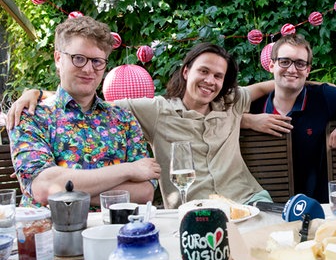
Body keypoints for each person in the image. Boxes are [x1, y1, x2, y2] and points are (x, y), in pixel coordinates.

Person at [8, 43, 275, 209]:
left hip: (250, 201)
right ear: (186, 71)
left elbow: (275, 84)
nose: (210, 80)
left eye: (218, 76)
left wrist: (315, 86)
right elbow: (89, 99)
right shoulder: (155, 110)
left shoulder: (232, 102)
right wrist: (37, 93)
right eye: (203, 71)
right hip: (194, 208)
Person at [9, 16, 161, 207]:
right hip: (50, 232)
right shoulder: (30, 115)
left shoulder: (123, 119)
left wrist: (66, 189)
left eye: (97, 61)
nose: (89, 69)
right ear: (58, 58)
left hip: (113, 232)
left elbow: (145, 191)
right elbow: (45, 187)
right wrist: (129, 170)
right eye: (79, 59)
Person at [241, 34, 336, 203]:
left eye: (300, 63)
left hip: (318, 207)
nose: (292, 69)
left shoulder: (323, 97)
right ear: (272, 65)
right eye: (284, 61)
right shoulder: (255, 105)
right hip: (267, 208)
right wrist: (248, 120)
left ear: (308, 70)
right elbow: (216, 113)